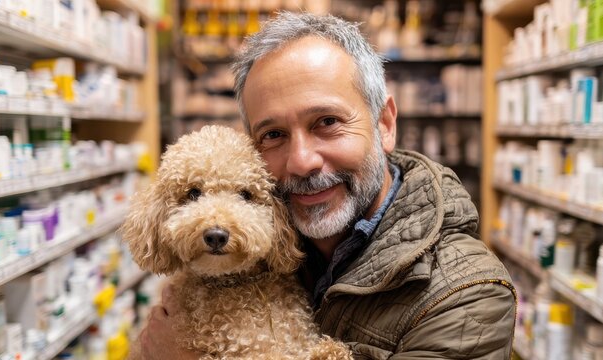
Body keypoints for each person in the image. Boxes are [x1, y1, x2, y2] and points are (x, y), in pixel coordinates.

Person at [132, 12, 516, 359]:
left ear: (384, 124)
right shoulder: (265, 248)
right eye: (274, 133)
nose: (302, 161)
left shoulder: (466, 298)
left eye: (327, 122)